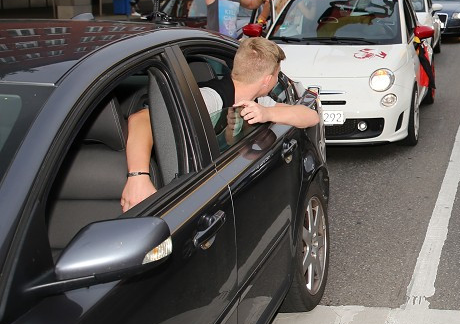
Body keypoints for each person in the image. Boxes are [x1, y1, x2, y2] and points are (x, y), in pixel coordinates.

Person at [120, 37, 320, 211]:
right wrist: (138, 177)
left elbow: (310, 116)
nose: (277, 80)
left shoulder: (259, 103)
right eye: (277, 75)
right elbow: (140, 119)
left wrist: (267, 113)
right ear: (267, 80)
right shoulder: (211, 98)